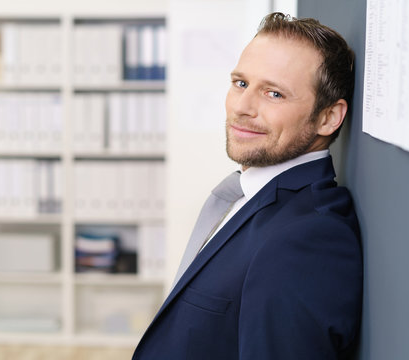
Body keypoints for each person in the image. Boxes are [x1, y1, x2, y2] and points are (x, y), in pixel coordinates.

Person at [132, 12, 362, 360]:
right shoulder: (250, 196)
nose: (242, 107)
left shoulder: (306, 240)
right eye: (241, 83)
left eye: (273, 93)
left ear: (328, 117)